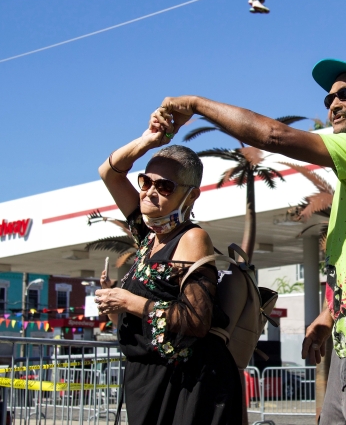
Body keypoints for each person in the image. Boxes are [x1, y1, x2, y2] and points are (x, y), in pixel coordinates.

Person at [155, 58, 346, 425]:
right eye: (328, 99)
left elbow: (274, 136)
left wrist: (194, 104)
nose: (333, 104)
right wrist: (327, 315)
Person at [94, 121, 241, 425]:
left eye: (164, 186)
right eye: (145, 182)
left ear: (191, 196)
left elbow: (196, 321)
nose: (149, 192)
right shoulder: (147, 235)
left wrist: (128, 302)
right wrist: (147, 141)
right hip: (148, 382)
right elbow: (108, 172)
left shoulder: (191, 239)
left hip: (187, 388)